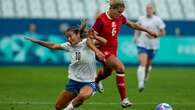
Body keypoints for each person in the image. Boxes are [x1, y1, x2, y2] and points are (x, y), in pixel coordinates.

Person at [89, 0, 158, 108]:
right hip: (102, 50)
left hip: (112, 51)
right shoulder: (101, 19)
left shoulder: (120, 17)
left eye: (121, 12)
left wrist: (148, 31)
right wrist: (96, 50)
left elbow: (133, 25)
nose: (120, 15)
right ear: (111, 9)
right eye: (118, 12)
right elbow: (90, 38)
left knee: (107, 72)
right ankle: (124, 99)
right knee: (120, 67)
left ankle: (95, 81)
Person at [24, 23, 107, 110]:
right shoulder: (69, 46)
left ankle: (95, 86)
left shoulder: (87, 42)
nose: (69, 39)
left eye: (70, 36)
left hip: (89, 82)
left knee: (82, 96)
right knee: (58, 107)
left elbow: (104, 42)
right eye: (67, 37)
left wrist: (95, 37)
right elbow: (53, 46)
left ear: (78, 34)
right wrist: (36, 41)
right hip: (73, 82)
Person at [134, 3, 166, 92]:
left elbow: (163, 32)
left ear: (153, 9)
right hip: (142, 44)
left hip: (153, 46)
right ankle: (141, 83)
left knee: (148, 65)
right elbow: (136, 28)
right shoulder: (141, 19)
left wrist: (156, 35)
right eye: (147, 8)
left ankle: (147, 72)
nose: (148, 9)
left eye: (150, 8)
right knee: (142, 63)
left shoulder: (158, 20)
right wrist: (136, 37)